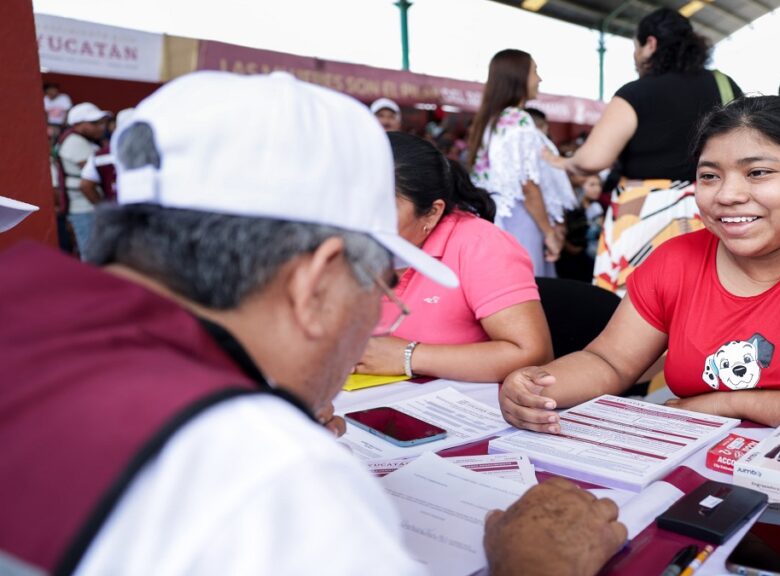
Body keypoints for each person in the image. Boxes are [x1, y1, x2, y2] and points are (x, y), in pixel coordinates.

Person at [0, 71, 625, 575]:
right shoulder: (265, 476)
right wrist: (536, 562)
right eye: (381, 281)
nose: (382, 312)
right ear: (315, 281)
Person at [499, 96, 780, 445]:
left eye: (758, 173)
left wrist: (724, 405)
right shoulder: (676, 258)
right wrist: (536, 386)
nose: (727, 195)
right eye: (710, 177)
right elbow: (608, 361)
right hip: (705, 468)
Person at [545, 7, 741, 294]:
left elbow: (594, 159)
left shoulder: (635, 93)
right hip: (710, 207)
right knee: (702, 295)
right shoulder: (725, 85)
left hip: (643, 215)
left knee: (639, 303)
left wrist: (562, 162)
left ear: (650, 44)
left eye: (635, 47)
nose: (635, 57)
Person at [355, 132, 553, 383]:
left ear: (432, 212)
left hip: (460, 410)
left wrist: (409, 357)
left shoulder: (479, 244)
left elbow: (534, 354)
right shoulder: (347, 244)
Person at [467, 49, 573, 277]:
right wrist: (549, 232)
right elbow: (528, 184)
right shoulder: (519, 119)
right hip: (521, 218)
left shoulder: (493, 120)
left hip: (498, 218)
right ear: (518, 76)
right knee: (529, 290)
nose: (539, 79)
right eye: (535, 71)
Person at [57, 102, 110, 257]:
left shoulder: (87, 141)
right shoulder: (74, 141)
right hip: (84, 209)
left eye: (102, 122)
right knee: (92, 255)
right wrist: (103, 207)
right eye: (94, 123)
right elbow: (91, 180)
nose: (101, 127)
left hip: (89, 208)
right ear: (77, 124)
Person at [81, 108, 134, 204]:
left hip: (117, 211)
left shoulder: (101, 154)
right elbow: (85, 186)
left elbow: (85, 185)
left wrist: (103, 209)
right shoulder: (158, 149)